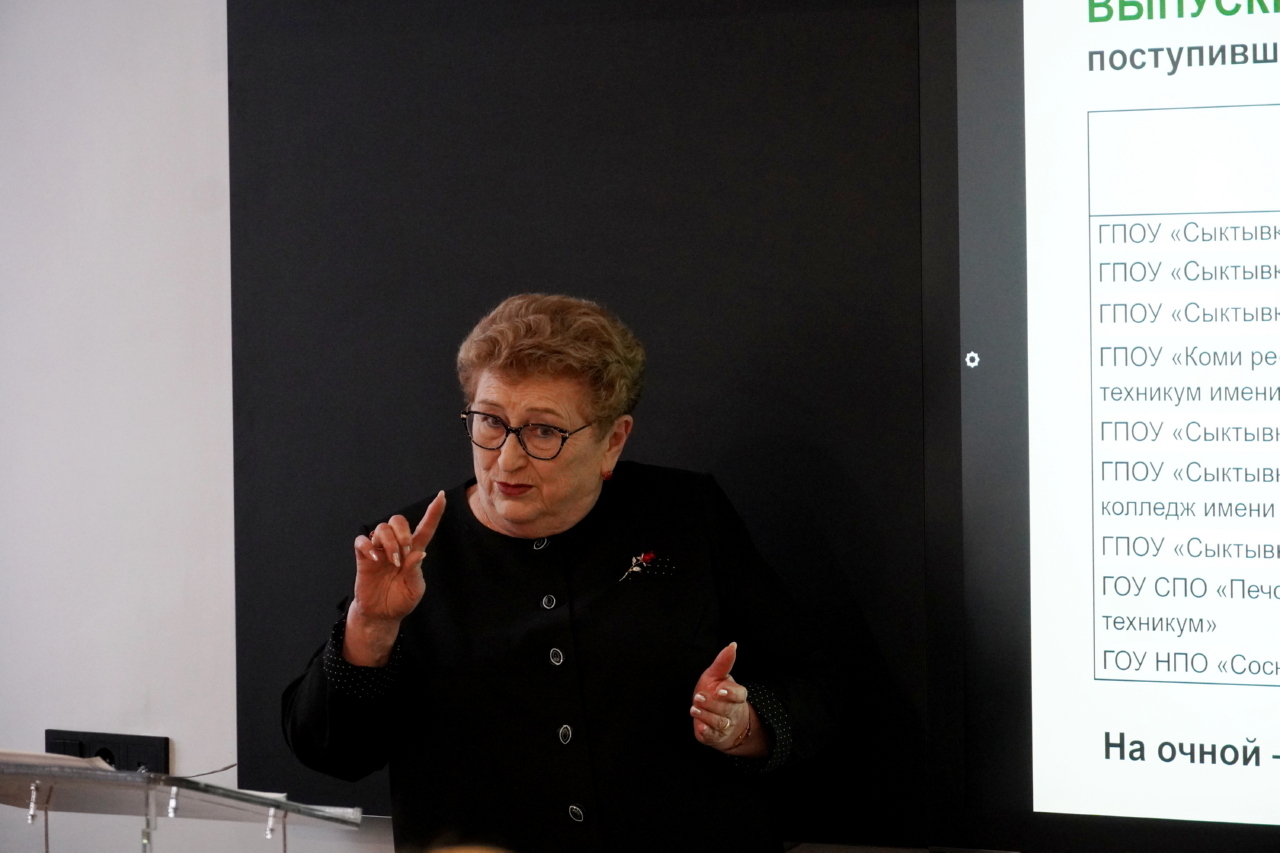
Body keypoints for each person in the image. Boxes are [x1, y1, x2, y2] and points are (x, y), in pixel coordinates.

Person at [282, 294, 830, 853]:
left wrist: (744, 726)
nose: (507, 459)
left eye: (543, 431)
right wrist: (371, 627)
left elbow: (816, 686)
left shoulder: (687, 516)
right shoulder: (408, 552)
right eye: (490, 421)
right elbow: (330, 752)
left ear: (612, 441)